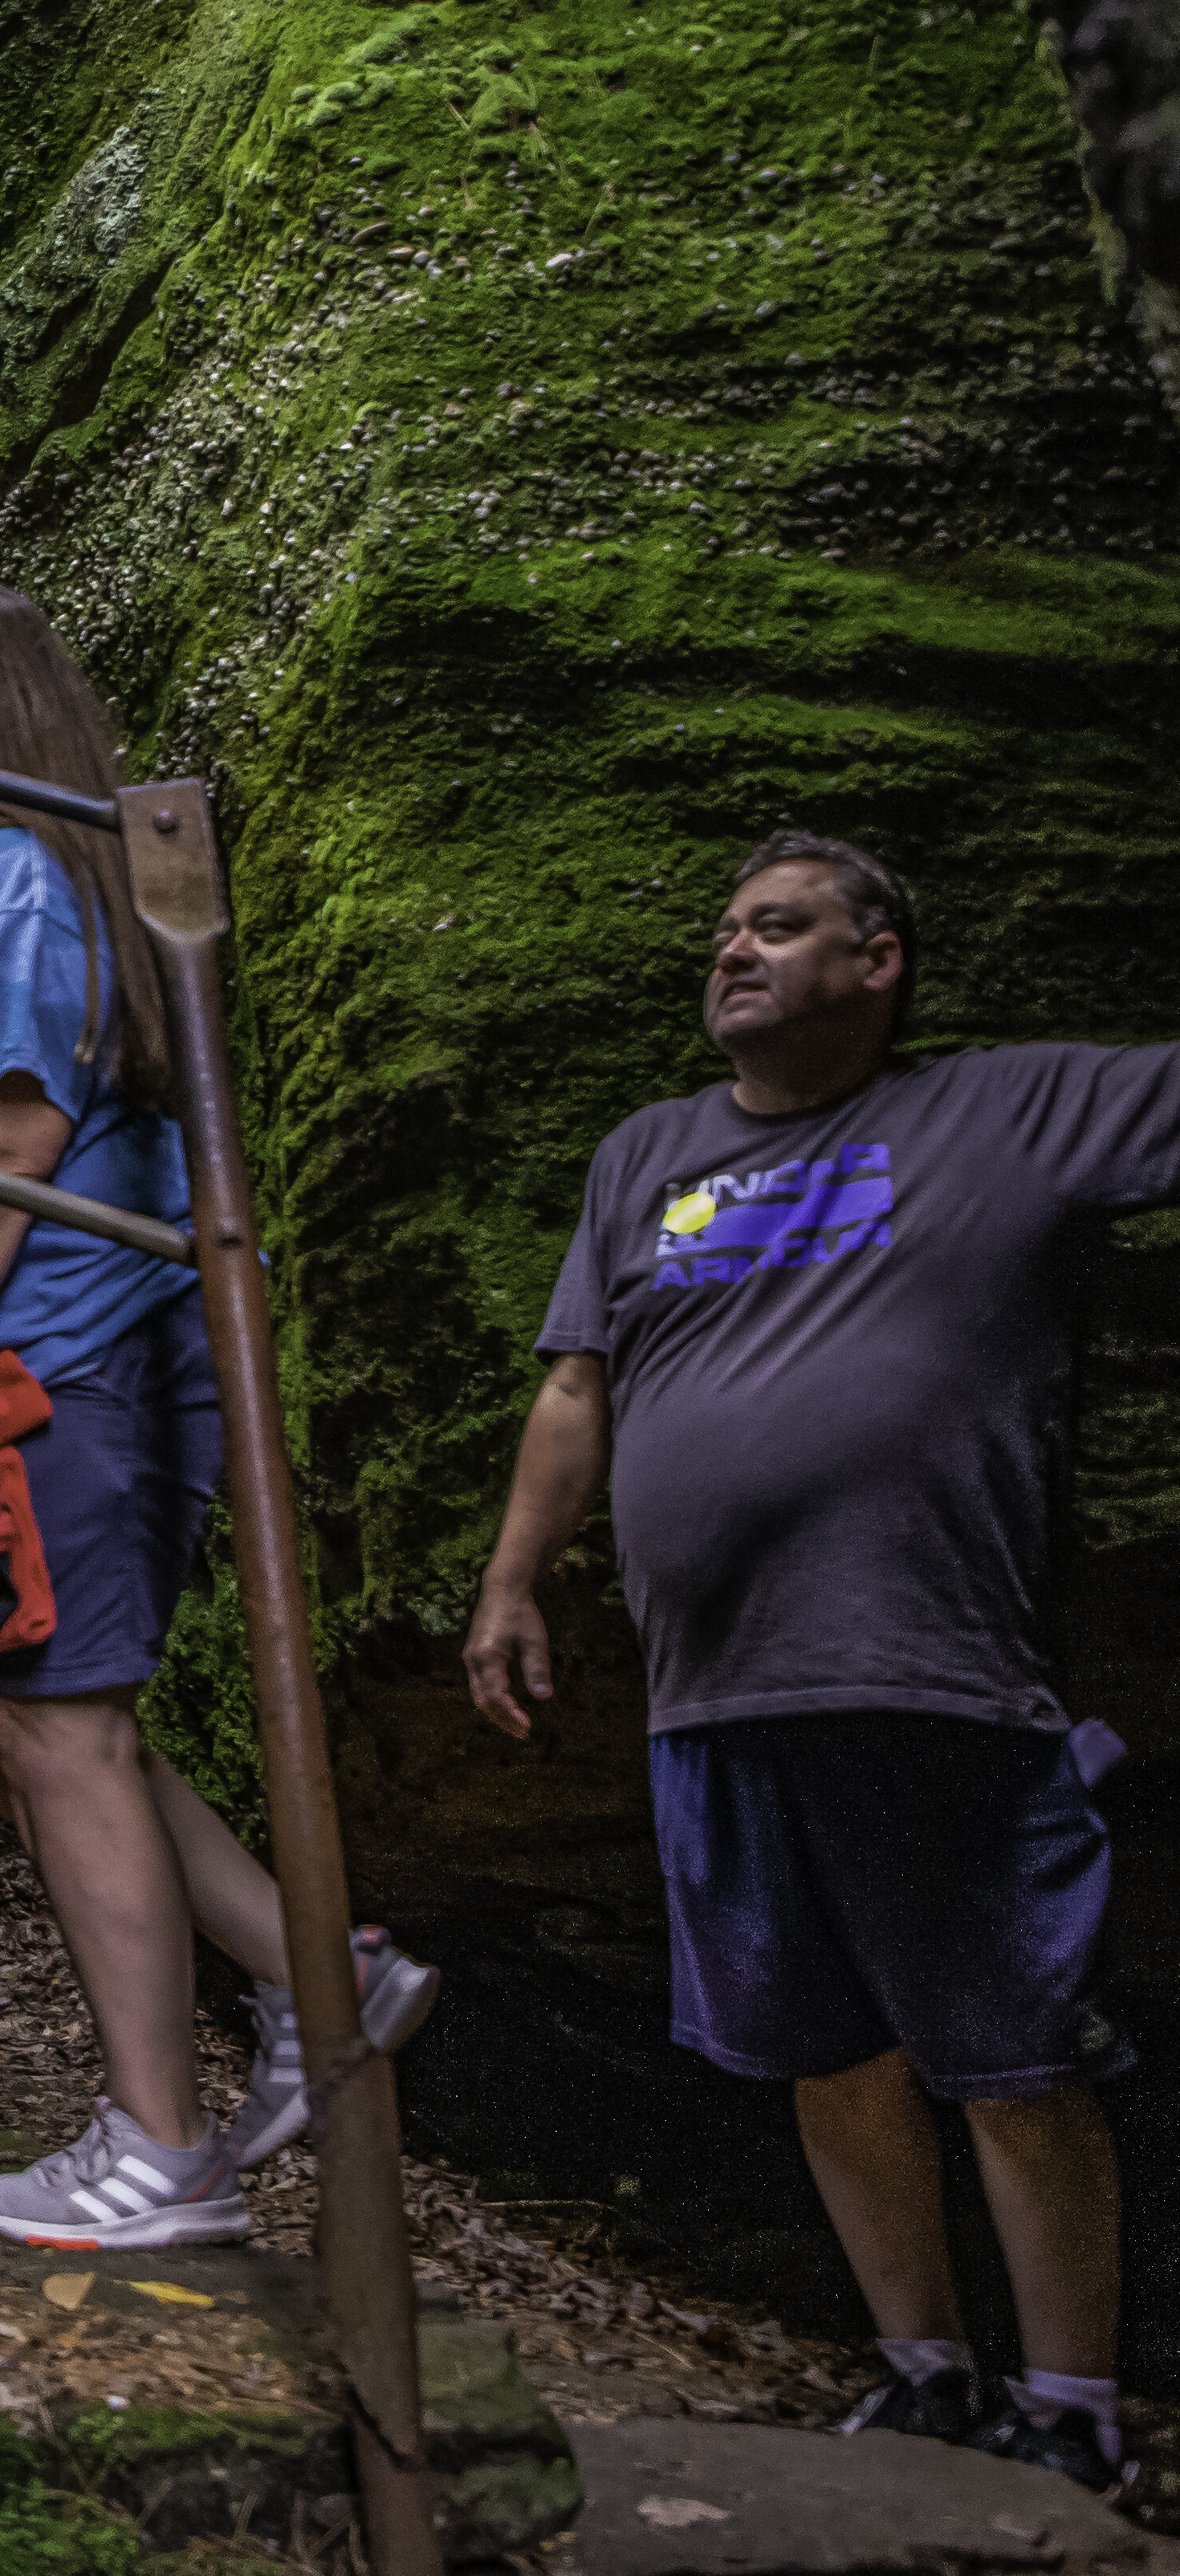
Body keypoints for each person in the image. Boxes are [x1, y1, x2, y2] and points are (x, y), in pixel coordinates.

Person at [466, 831, 1158, 2491]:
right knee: (820, 2048)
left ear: (876, 960)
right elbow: (577, 1391)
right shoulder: (645, 1156)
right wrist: (508, 1582)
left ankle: (1065, 2408)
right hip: (710, 1690)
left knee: (1004, 2051)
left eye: (776, 928)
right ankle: (917, 2373)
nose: (732, 952)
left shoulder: (1004, 1112)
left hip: (923, 1673)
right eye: (722, 931)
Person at [0, 576, 433, 2248]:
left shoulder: (10, 880)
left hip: (60, 1369)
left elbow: (2, 1151)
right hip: (5, 1352)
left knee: (52, 1725)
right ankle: (319, 1976)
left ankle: (160, 2150)